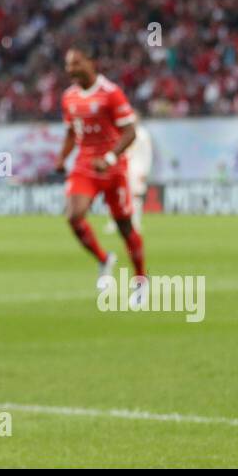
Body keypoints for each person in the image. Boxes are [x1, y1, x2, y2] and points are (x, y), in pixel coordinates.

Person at [56, 47, 148, 308]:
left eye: (75, 63)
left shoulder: (111, 93)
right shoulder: (69, 97)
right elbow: (72, 133)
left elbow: (130, 132)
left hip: (113, 168)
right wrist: (62, 157)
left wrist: (108, 158)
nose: (70, 69)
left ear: (91, 62)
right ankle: (103, 258)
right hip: (85, 165)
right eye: (68, 65)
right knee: (74, 215)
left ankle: (141, 279)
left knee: (125, 227)